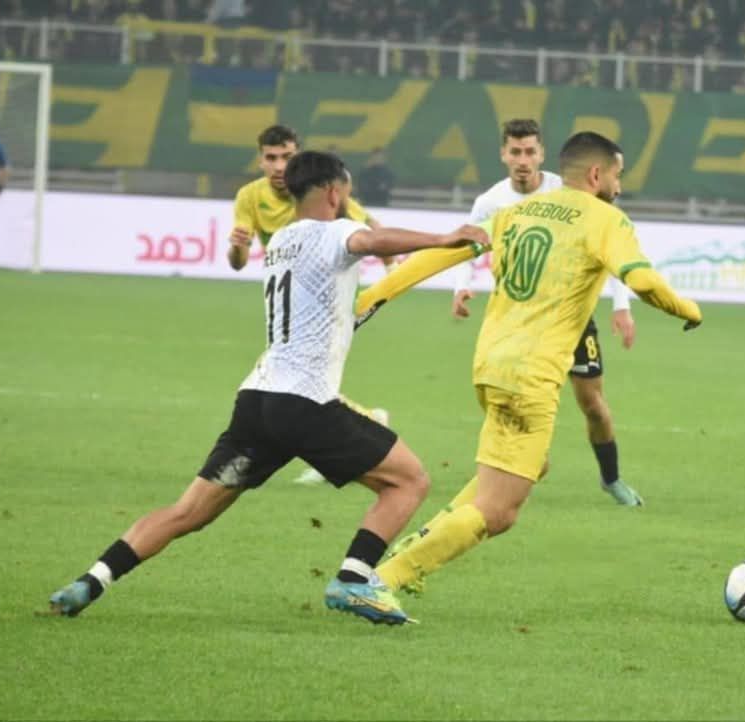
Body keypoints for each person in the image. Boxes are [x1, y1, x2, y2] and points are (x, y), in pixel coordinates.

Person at [48, 150, 488, 625]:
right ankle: (353, 579)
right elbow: (371, 240)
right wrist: (444, 237)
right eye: (347, 191)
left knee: (187, 512)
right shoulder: (335, 232)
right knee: (409, 480)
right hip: (305, 403)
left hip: (256, 401)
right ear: (334, 192)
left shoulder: (280, 240)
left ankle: (90, 581)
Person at [354, 132, 703, 604]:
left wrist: (375, 294)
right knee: (499, 512)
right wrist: (688, 310)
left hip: (489, 366)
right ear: (596, 174)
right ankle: (385, 579)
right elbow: (641, 280)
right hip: (530, 377)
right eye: (617, 175)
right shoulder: (608, 219)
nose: (620, 186)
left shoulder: (516, 211)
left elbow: (448, 250)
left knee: (529, 466)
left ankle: (418, 545)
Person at [450, 119, 644, 509]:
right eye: (515, 152)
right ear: (504, 154)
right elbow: (467, 245)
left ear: (541, 154)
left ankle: (611, 479)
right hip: (518, 320)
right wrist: (461, 287)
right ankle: (512, 466)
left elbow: (610, 243)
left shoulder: (566, 190)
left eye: (530, 152)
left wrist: (621, 306)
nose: (523, 160)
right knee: (506, 395)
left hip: (570, 318)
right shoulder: (490, 202)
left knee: (593, 404)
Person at [228, 125, 390, 483]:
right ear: (260, 160)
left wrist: (393, 273)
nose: (279, 166)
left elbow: (372, 230)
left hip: (325, 291)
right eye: (271, 158)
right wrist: (237, 246)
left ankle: (327, 445)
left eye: (286, 157)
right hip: (291, 295)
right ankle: (365, 422)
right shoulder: (250, 196)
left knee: (290, 375)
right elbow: (237, 261)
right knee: (294, 376)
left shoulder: (315, 190)